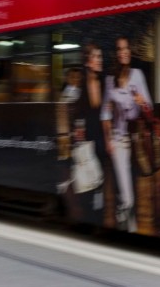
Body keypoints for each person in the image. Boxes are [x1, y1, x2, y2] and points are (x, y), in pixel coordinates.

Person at [101, 36, 152, 232]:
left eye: (126, 48)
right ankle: (129, 228)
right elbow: (105, 113)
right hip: (119, 140)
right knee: (126, 193)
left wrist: (141, 102)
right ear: (115, 54)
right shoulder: (109, 81)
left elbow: (149, 108)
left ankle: (128, 222)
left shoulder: (138, 75)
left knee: (142, 188)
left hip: (137, 139)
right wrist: (108, 141)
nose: (123, 51)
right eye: (119, 48)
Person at [70, 43, 112, 224]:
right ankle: (88, 216)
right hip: (86, 140)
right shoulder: (79, 86)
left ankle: (98, 217)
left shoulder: (105, 83)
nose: (100, 60)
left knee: (100, 180)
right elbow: (74, 112)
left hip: (101, 138)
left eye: (101, 57)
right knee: (87, 178)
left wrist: (108, 139)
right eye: (97, 57)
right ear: (88, 61)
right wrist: (77, 131)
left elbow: (107, 113)